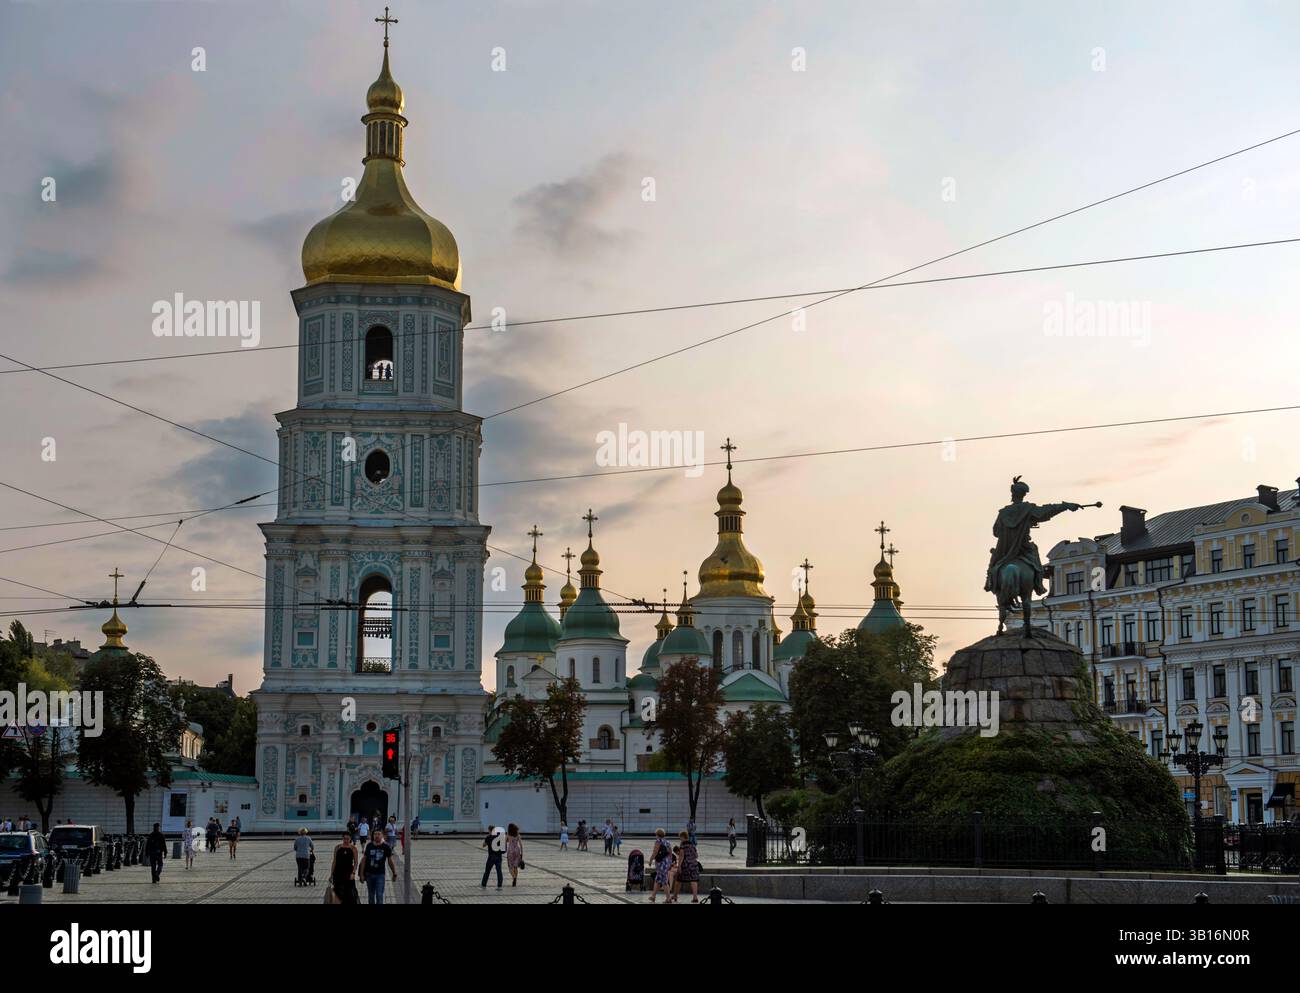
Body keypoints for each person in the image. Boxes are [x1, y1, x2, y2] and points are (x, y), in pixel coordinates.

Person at [361, 829, 397, 905]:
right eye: (375, 834)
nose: (377, 836)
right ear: (372, 836)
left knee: (379, 895)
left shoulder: (386, 846)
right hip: (369, 874)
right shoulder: (369, 845)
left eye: (379, 834)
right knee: (371, 896)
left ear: (382, 836)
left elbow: (390, 861)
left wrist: (394, 873)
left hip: (380, 875)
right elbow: (364, 860)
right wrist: (361, 874)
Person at [329, 833, 359, 904]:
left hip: (348, 873)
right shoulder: (337, 847)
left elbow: (356, 862)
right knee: (338, 892)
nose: (346, 840)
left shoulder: (353, 848)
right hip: (338, 873)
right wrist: (331, 874)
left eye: (347, 839)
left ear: (350, 839)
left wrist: (353, 873)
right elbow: (334, 861)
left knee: (349, 893)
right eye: (344, 838)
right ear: (342, 838)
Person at [675, 830, 701, 902]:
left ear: (683, 837)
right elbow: (696, 855)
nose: (680, 839)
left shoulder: (683, 844)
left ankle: (675, 896)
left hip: (686, 864)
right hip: (694, 864)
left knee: (678, 879)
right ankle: (695, 897)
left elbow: (681, 856)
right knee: (694, 880)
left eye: (680, 837)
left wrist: (679, 866)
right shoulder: (692, 844)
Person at [648, 828, 672, 903]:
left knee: (664, 881)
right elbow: (670, 853)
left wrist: (651, 860)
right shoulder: (667, 842)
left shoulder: (658, 841)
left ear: (657, 835)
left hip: (660, 863)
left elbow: (655, 852)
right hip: (666, 863)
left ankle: (668, 898)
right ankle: (653, 896)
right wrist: (669, 863)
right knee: (658, 880)